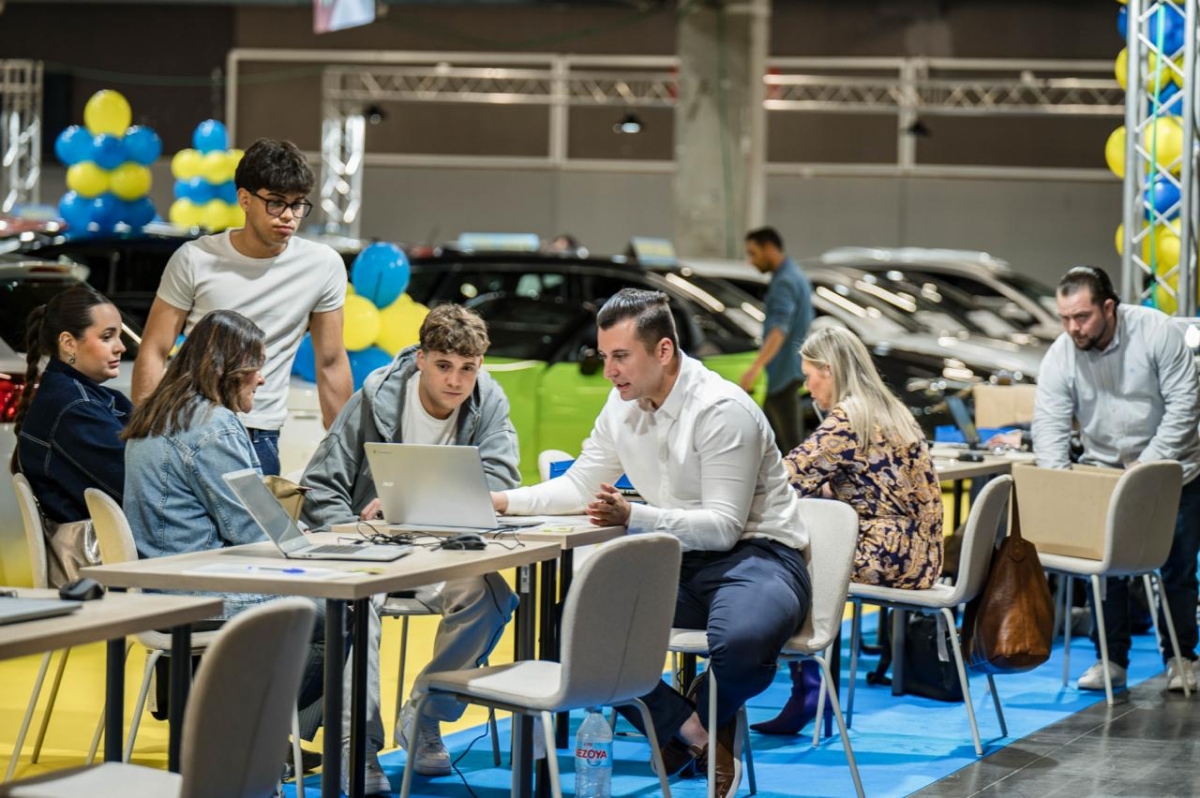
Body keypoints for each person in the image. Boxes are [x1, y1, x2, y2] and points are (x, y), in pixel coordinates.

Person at [492, 288, 810, 798]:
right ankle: (690, 729)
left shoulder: (722, 409)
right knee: (570, 621)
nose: (610, 371)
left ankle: (699, 715)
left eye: (621, 357)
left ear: (663, 350)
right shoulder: (620, 408)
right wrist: (501, 501)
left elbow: (725, 527)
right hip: (676, 558)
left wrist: (633, 514)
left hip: (760, 556)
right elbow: (576, 485)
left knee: (743, 644)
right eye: (604, 357)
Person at [300, 303, 520, 788]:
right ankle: (356, 747)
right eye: (444, 365)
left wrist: (416, 509)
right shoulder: (375, 397)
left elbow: (502, 480)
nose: (456, 381)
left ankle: (425, 715)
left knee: (490, 597)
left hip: (446, 556)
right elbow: (320, 485)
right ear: (420, 359)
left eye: (468, 368)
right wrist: (360, 538)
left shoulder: (489, 401)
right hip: (377, 557)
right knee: (360, 605)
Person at [121, 309, 326, 755]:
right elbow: (251, 529)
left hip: (158, 592)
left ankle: (248, 733)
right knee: (344, 613)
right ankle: (250, 739)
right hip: (199, 597)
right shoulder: (213, 425)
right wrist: (314, 539)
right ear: (226, 369)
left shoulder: (155, 416)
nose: (263, 380)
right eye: (256, 367)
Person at [753, 326, 943, 734]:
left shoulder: (847, 420)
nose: (806, 386)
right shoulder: (888, 408)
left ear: (830, 370)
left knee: (784, 566)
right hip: (922, 555)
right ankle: (809, 686)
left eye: (808, 376)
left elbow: (786, 479)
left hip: (887, 552)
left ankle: (807, 686)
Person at [131, 137, 352, 476]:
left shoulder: (322, 265)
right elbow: (154, 349)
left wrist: (346, 455)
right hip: (189, 427)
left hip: (259, 435)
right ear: (245, 199)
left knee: (256, 531)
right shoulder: (195, 259)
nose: (289, 216)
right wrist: (146, 439)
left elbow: (332, 362)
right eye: (276, 203)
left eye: (297, 205)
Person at [1032, 265, 1200, 693]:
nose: (1073, 328)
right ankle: (1110, 661)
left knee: (1175, 570)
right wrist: (1060, 485)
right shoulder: (1061, 353)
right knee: (1105, 573)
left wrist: (1147, 468)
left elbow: (1185, 405)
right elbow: (1049, 424)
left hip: (1172, 470)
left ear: (1109, 307)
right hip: (1103, 472)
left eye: (1082, 317)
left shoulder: (1158, 332)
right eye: (1065, 318)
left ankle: (1181, 659)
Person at [12, 286, 131, 524]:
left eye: (119, 336)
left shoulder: (75, 396)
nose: (121, 347)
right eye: (107, 337)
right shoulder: (75, 407)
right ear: (68, 343)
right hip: (111, 554)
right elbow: (135, 488)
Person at [739, 227, 814, 454]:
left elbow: (778, 330)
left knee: (791, 447)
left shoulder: (784, 282)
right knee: (775, 446)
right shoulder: (796, 275)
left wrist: (755, 368)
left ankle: (799, 489)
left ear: (769, 248)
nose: (751, 261)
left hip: (783, 374)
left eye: (753, 253)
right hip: (788, 371)